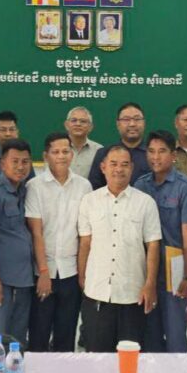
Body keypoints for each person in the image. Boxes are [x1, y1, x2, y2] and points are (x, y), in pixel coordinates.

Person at [77, 145, 161, 352]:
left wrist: (150, 284)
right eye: (113, 164)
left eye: (124, 164)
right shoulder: (89, 201)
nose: (119, 169)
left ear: (132, 168)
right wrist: (83, 277)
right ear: (103, 167)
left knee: (130, 357)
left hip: (133, 293)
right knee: (97, 356)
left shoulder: (145, 203)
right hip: (97, 292)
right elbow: (85, 243)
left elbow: (152, 245)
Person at [134, 131, 187, 353]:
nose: (156, 157)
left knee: (175, 335)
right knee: (149, 334)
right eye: (151, 151)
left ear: (173, 156)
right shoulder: (140, 185)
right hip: (145, 272)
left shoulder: (185, 187)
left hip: (174, 273)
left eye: (162, 151)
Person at [25, 132, 92, 352]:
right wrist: (44, 272)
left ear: (72, 155)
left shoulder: (84, 186)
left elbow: (84, 235)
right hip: (42, 272)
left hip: (71, 272)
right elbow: (36, 233)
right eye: (56, 152)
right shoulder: (34, 186)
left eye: (66, 151)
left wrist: (82, 275)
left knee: (66, 335)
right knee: (39, 334)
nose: (61, 156)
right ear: (46, 156)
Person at [0, 139, 35, 344]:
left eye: (25, 162)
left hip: (22, 279)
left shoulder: (24, 191)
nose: (20, 167)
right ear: (2, 164)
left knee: (17, 341)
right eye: (15, 161)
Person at [87, 102, 150, 190]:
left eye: (137, 119)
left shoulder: (153, 154)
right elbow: (95, 189)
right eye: (126, 119)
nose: (132, 124)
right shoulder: (103, 153)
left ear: (144, 123)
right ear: (118, 124)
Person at [0, 111, 35, 187]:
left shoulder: (25, 160)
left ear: (17, 133)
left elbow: (32, 186)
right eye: (3, 130)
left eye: (12, 129)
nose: (8, 134)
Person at [65, 106, 102, 180]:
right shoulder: (57, 149)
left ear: (90, 127)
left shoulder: (99, 151)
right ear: (66, 125)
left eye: (83, 121)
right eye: (74, 120)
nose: (78, 124)